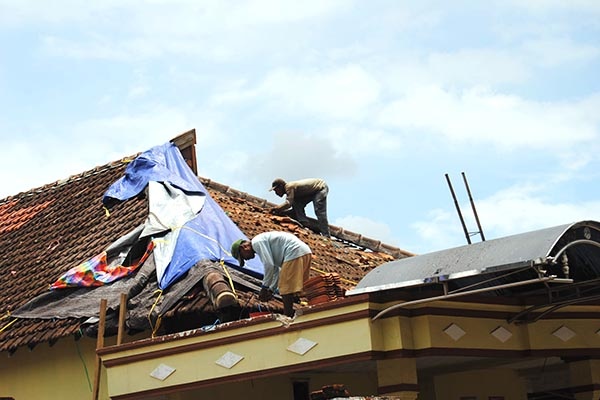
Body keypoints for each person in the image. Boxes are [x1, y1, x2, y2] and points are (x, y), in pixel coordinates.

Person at [230, 231, 312, 317]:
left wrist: (264, 288)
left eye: (243, 257)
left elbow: (269, 265)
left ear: (244, 247)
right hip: (305, 252)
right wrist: (271, 290)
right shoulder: (262, 243)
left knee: (285, 287)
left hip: (294, 252)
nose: (246, 259)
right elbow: (276, 271)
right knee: (299, 288)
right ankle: (311, 307)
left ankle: (288, 315)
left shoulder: (257, 242)